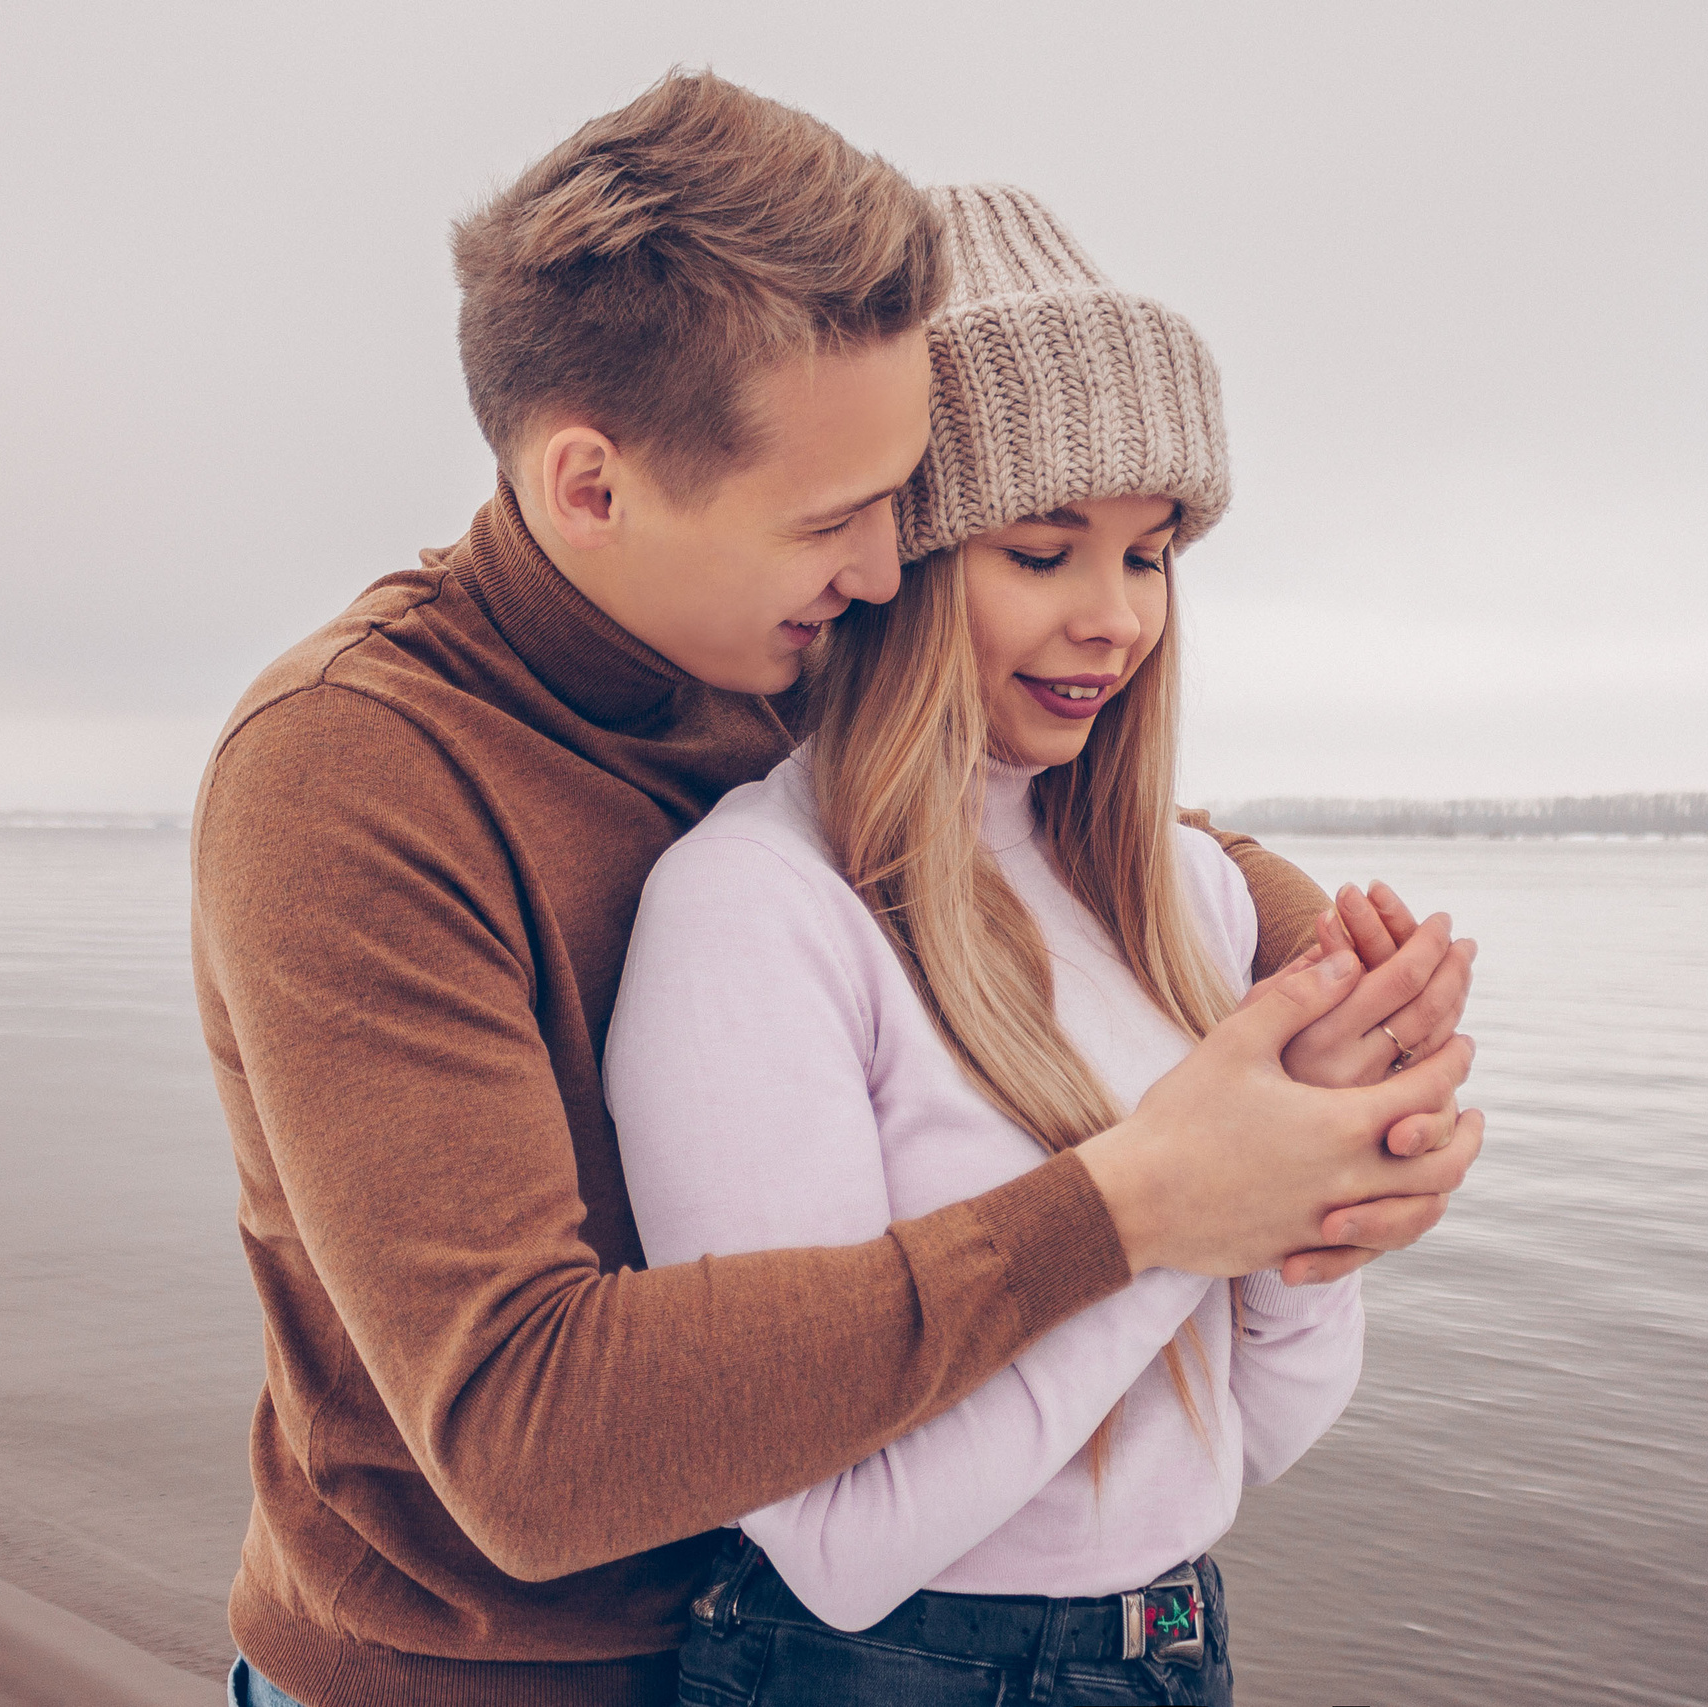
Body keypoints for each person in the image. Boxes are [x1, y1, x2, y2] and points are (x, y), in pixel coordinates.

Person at [193, 73, 1481, 1707]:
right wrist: (1151, 1202)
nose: (886, 569)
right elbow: (531, 1446)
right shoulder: (354, 772)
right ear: (593, 487)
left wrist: (1339, 1041)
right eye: (842, 517)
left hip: (801, 1644)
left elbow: (1107, 838)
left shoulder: (780, 647)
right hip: (477, 1681)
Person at [603, 185, 1474, 1707]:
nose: (1115, 620)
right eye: (1044, 551)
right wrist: (1184, 1202)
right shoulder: (755, 910)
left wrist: (1313, 1210)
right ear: (901, 565)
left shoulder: (1189, 896)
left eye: (1149, 556)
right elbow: (834, 1542)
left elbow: (1250, 1441)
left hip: (1166, 1646)